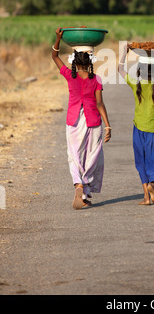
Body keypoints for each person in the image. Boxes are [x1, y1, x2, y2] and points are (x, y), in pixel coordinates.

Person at [52, 27, 111, 209]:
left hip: (74, 120)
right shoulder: (97, 80)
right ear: (91, 61)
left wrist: (58, 39)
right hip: (93, 121)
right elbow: (100, 104)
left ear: (75, 61)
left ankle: (79, 186)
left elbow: (55, 57)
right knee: (92, 156)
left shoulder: (70, 76)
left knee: (74, 155)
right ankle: (84, 190)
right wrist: (108, 126)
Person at [118, 43, 154, 205]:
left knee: (141, 161)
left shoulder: (136, 85)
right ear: (153, 72)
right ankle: (151, 185)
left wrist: (124, 54)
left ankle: (146, 197)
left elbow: (120, 70)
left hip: (138, 128)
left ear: (139, 71)